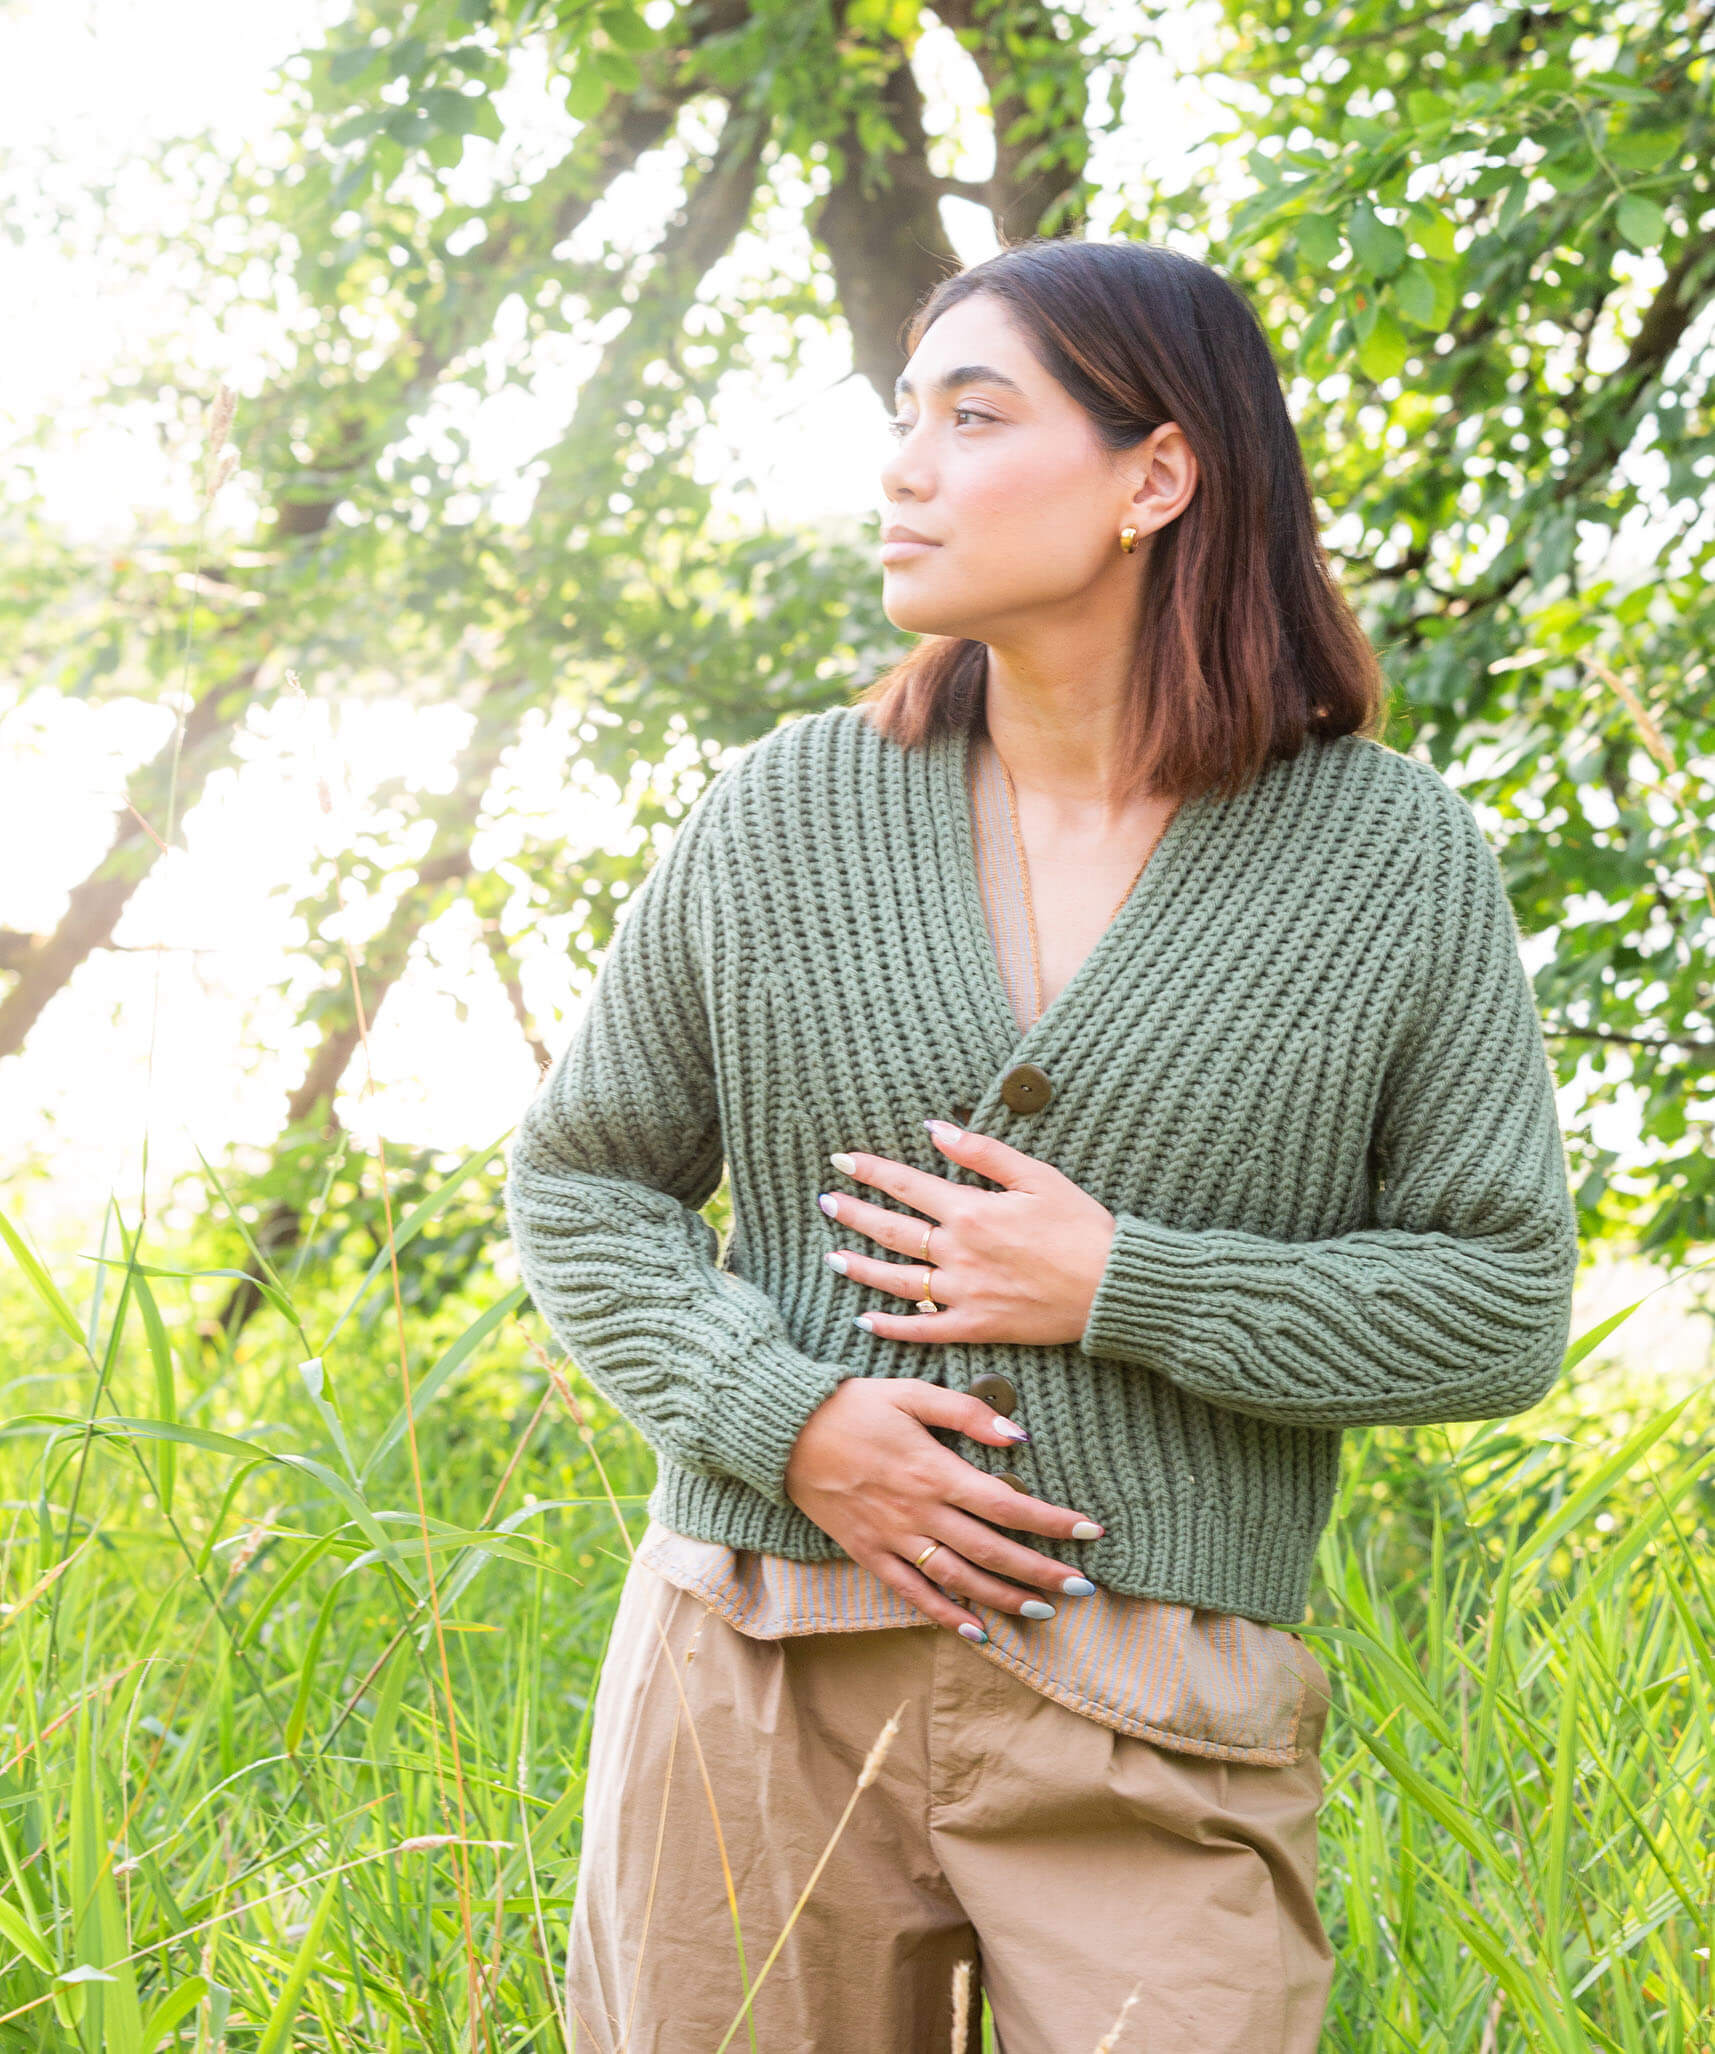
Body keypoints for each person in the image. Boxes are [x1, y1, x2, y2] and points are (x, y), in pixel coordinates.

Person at [503, 237, 1580, 2053]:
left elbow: (1502, 1302)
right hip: (760, 1670)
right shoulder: (782, 809)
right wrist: (791, 1423)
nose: (904, 467)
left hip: (1160, 1709)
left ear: (1155, 476)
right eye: (902, 416)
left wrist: (1125, 1284)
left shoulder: (1394, 859)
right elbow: (583, 1179)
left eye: (973, 415)